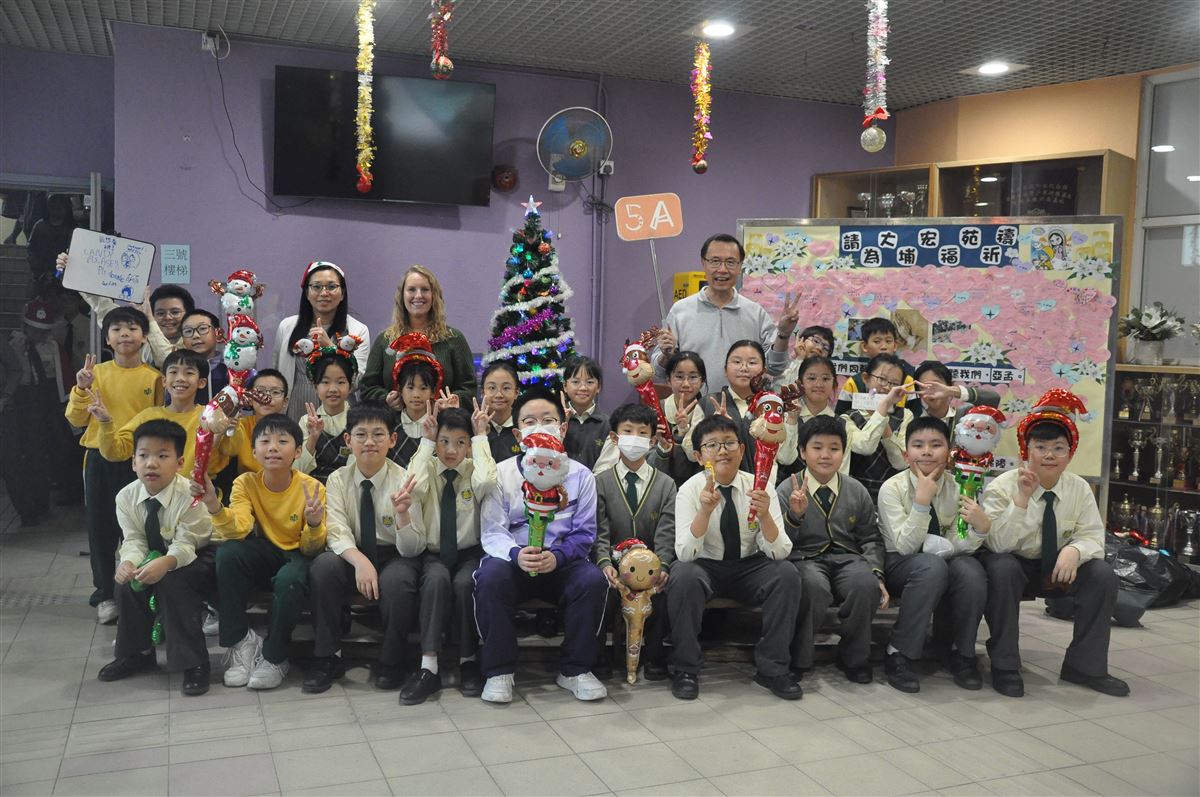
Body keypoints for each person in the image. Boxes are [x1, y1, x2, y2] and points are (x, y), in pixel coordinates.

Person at [979, 389, 1128, 698]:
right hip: (1016, 563)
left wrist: (1074, 550)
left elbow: (1092, 536)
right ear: (1026, 451)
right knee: (1002, 567)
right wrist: (1021, 499)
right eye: (1041, 447)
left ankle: (1084, 666)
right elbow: (999, 544)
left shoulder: (1079, 488)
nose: (1049, 455)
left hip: (1058, 565)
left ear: (1070, 454)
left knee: (1101, 575)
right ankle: (1005, 664)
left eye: (1059, 448)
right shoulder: (1002, 486)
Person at [473, 388, 609, 703]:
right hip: (514, 560)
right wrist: (516, 554)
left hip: (561, 562)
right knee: (489, 578)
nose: (540, 427)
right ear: (518, 434)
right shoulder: (501, 473)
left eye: (548, 421)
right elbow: (493, 530)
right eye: (530, 422)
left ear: (563, 428)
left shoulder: (581, 476)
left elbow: (584, 533)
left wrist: (558, 557)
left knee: (592, 581)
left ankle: (575, 670)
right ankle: (499, 671)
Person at [193, 413, 327, 690]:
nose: (273, 448)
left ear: (298, 452)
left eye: (282, 441)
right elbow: (239, 528)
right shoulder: (245, 482)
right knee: (228, 552)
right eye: (265, 441)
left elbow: (312, 548)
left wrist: (314, 524)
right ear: (254, 452)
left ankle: (275, 657)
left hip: (298, 553)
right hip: (266, 550)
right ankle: (241, 644)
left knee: (290, 578)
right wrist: (213, 505)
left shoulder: (312, 487)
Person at [670, 415, 800, 700]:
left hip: (748, 566)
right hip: (706, 566)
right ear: (698, 456)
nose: (722, 451)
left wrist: (765, 516)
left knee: (786, 574)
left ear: (742, 450)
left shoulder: (761, 485)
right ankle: (685, 668)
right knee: (683, 575)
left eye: (729, 443)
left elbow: (779, 551)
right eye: (712, 445)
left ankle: (773, 668)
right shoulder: (689, 490)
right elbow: (686, 553)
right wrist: (704, 512)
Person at [304, 403, 425, 694]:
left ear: (392, 440)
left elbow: (413, 548)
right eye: (361, 435)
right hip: (353, 552)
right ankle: (327, 656)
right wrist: (359, 561)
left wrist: (403, 516)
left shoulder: (406, 480)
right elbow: (336, 531)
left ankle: (393, 660)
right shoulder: (337, 479)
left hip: (393, 554)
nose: (369, 442)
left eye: (378, 434)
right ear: (348, 440)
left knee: (398, 580)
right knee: (323, 566)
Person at [98, 419, 215, 696]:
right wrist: (128, 562)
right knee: (127, 583)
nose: (151, 464)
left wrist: (165, 562)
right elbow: (134, 539)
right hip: (155, 554)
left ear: (179, 462)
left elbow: (188, 543)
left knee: (173, 582)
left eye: (162, 456)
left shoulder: (190, 495)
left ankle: (195, 663)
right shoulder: (125, 497)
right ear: (133, 462)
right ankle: (137, 654)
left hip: (197, 557)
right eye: (143, 455)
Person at [394, 402, 497, 703]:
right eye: (444, 441)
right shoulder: (426, 467)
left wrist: (481, 437)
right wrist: (426, 442)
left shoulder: (474, 470)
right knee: (436, 581)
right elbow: (411, 488)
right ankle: (429, 667)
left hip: (469, 553)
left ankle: (468, 661)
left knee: (465, 584)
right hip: (434, 554)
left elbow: (487, 482)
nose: (451, 450)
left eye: (460, 442)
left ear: (469, 445)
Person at [876, 416, 988, 693]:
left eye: (935, 445)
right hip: (901, 563)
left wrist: (980, 530)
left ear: (949, 454)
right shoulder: (892, 488)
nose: (926, 452)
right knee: (931, 567)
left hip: (945, 559)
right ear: (906, 455)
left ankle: (961, 653)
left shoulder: (960, 486)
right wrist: (921, 503)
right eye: (918, 445)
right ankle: (898, 651)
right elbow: (905, 546)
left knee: (971, 571)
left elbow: (959, 541)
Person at [65, 308, 163, 622]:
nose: (124, 334)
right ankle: (105, 595)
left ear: (144, 336)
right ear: (107, 338)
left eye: (132, 328)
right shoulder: (95, 374)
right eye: (117, 329)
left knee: (141, 528)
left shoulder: (155, 378)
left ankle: (142, 591)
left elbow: (158, 421)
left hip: (139, 461)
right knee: (101, 528)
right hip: (99, 459)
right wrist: (81, 389)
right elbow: (76, 419)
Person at [777, 415, 887, 684]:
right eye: (817, 448)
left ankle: (854, 658)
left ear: (843, 453)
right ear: (802, 452)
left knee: (865, 585)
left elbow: (870, 538)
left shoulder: (856, 489)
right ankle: (800, 659)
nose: (825, 455)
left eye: (834, 448)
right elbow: (778, 541)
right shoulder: (787, 489)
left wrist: (876, 573)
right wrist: (794, 516)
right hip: (804, 558)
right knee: (813, 587)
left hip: (848, 558)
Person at [652, 233, 798, 393]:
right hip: (694, 405)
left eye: (730, 262)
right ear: (703, 263)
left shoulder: (755, 313)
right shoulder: (680, 310)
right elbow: (658, 371)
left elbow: (775, 368)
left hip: (744, 406)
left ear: (740, 266)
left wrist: (783, 335)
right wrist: (666, 356)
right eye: (715, 261)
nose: (722, 269)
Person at [592, 402, 676, 680]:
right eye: (628, 431)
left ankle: (655, 655)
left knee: (664, 592)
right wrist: (605, 562)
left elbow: (667, 530)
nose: (635, 438)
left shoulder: (665, 484)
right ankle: (599, 655)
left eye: (642, 433)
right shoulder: (601, 482)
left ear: (652, 441)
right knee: (599, 591)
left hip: (650, 566)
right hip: (613, 565)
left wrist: (662, 565)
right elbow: (600, 529)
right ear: (614, 437)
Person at [90, 349, 236, 480]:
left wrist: (229, 430)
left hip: (197, 494)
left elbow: (227, 454)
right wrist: (105, 422)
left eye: (189, 373)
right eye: (173, 372)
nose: (180, 378)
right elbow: (115, 452)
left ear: (202, 382)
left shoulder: (211, 416)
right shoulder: (148, 417)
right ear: (164, 381)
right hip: (154, 493)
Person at [360, 265, 476, 407]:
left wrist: (453, 401)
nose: (418, 295)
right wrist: (385, 399)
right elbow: (367, 388)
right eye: (412, 289)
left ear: (434, 296)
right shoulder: (384, 341)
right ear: (402, 296)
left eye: (425, 289)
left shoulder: (454, 339)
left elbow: (469, 388)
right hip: (395, 420)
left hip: (443, 419)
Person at [57, 253, 194, 369]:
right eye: (160, 313)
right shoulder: (139, 336)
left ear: (188, 315)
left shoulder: (195, 343)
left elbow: (169, 361)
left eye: (175, 312)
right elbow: (102, 305)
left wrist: (149, 319)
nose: (168, 317)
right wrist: (74, 271)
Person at [5, 299, 73, 526]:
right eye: (34, 330)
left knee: (46, 453)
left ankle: (44, 502)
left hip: (48, 401)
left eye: (43, 331)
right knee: (23, 457)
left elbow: (63, 376)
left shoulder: (52, 346)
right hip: (21, 402)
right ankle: (29, 507)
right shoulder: (14, 344)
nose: (38, 335)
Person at [276, 261, 370, 422]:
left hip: (339, 414)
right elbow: (277, 375)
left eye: (331, 286)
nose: (324, 293)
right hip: (296, 409)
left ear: (342, 293)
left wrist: (331, 348)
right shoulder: (287, 326)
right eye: (316, 286)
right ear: (307, 293)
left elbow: (357, 381)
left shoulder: (358, 330)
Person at [702, 340, 798, 479]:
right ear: (725, 370)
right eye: (737, 362)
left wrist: (792, 420)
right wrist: (715, 428)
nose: (744, 368)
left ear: (764, 371)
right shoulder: (708, 403)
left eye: (752, 363)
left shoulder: (774, 406)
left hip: (763, 487)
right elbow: (692, 454)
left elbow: (786, 458)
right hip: (717, 485)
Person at [842, 353, 913, 499]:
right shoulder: (847, 418)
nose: (887, 387)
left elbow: (901, 462)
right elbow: (865, 447)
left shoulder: (905, 415)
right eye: (882, 379)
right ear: (866, 378)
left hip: (895, 494)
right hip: (857, 493)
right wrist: (883, 410)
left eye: (894, 383)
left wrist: (883, 415)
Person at [298, 350, 360, 483]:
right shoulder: (306, 421)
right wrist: (313, 437)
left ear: (350, 387)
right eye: (325, 382)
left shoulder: (359, 420)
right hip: (312, 490)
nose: (333, 389)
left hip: (347, 488)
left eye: (341, 382)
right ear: (315, 387)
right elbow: (298, 470)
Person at [836, 317, 917, 414]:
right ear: (864, 346)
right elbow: (841, 418)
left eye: (888, 341)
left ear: (895, 346)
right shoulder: (853, 383)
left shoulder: (908, 383)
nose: (884, 347)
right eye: (877, 341)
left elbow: (916, 419)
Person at [385, 334, 443, 468]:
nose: (416, 395)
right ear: (399, 389)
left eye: (423, 388)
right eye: (410, 388)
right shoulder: (389, 423)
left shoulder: (440, 424)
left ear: (433, 391)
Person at [655, 350, 707, 486]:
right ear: (668, 380)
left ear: (702, 381)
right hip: (662, 487)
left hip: (699, 486)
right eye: (679, 376)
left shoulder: (708, 412)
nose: (686, 384)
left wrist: (683, 431)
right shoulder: (657, 411)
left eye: (693, 377)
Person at [232, 369, 290, 474]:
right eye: (260, 392)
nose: (266, 397)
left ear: (285, 401)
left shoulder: (291, 430)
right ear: (250, 398)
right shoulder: (239, 426)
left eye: (275, 392)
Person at [912, 360, 1001, 427]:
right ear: (919, 393)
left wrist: (953, 391)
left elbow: (993, 399)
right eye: (923, 387)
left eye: (935, 385)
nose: (931, 391)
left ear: (949, 385)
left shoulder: (966, 414)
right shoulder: (913, 420)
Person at [562, 356, 609, 470]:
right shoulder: (555, 420)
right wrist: (560, 423)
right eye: (575, 382)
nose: (583, 388)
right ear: (565, 386)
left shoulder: (607, 424)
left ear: (598, 387)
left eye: (589, 382)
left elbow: (606, 466)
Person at [179, 309, 228, 404]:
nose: (195, 336)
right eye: (188, 331)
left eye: (202, 329)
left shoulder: (231, 369)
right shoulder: (177, 371)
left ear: (218, 334)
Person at [27, 194, 75, 287]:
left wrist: (60, 273)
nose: (56, 210)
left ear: (66, 209)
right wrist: (40, 271)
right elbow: (30, 249)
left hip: (65, 277)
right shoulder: (40, 226)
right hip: (40, 275)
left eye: (59, 207)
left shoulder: (71, 230)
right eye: (53, 207)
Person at [480, 361, 522, 463]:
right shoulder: (474, 427)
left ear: (516, 392)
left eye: (506, 388)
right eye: (492, 388)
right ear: (482, 393)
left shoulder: (524, 427)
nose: (499, 395)